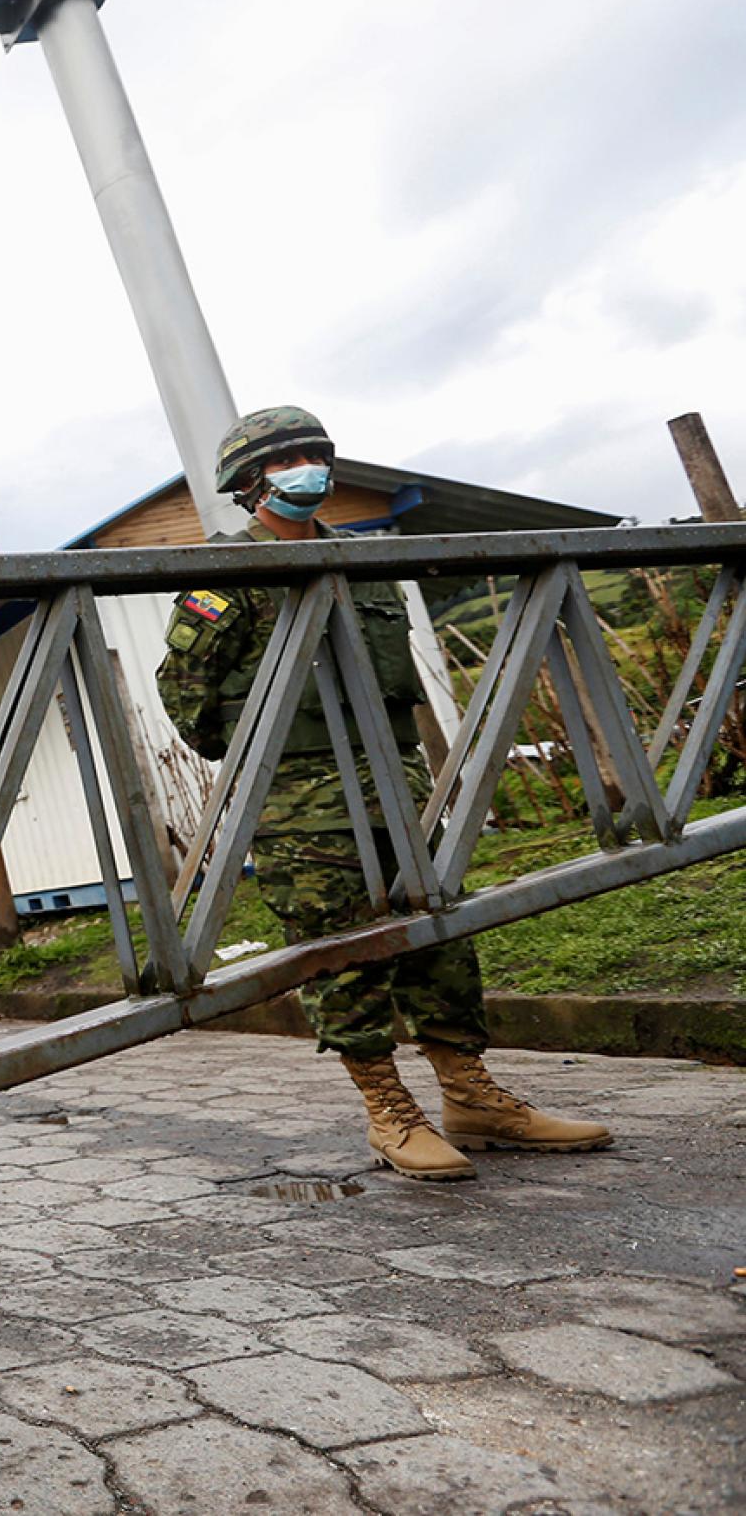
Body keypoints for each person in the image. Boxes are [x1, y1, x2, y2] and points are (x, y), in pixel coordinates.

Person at [157, 408, 610, 1181]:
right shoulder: (225, 571)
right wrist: (276, 750)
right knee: (343, 954)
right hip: (303, 803)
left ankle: (472, 1096)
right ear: (249, 481)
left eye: (313, 453)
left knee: (440, 936)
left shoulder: (363, 560)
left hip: (400, 788)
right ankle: (388, 1110)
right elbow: (184, 693)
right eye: (285, 457)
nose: (306, 468)